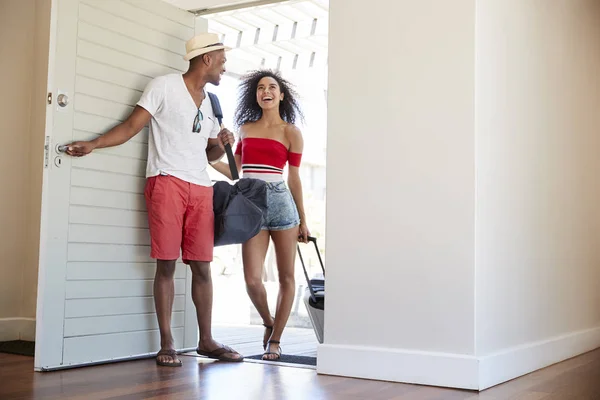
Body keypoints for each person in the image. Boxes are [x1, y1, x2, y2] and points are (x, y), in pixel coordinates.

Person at [64, 33, 243, 367]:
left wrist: (221, 140)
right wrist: (94, 143)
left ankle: (206, 341)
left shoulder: (211, 102)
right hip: (166, 182)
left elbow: (209, 153)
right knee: (166, 263)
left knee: (203, 267)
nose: (224, 66)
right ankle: (167, 343)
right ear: (206, 58)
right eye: (222, 59)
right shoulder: (163, 86)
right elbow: (132, 126)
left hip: (200, 187)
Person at [211, 69, 309, 360]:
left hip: (281, 202)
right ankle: (268, 322)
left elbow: (294, 178)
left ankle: (275, 340)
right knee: (252, 279)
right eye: (260, 88)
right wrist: (215, 154)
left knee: (286, 277)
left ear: (281, 95)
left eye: (272, 87)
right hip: (250, 202)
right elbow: (234, 170)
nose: (265, 91)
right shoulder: (245, 129)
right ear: (256, 95)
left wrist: (303, 218)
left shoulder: (291, 132)